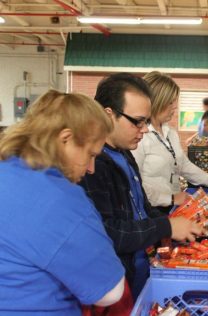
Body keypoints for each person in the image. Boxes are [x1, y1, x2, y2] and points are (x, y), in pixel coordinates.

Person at [79, 73, 205, 300]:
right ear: (109, 115)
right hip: (116, 283)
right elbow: (107, 232)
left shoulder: (125, 154)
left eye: (146, 121)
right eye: (137, 121)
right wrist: (165, 227)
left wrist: (173, 225)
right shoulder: (91, 165)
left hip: (140, 268)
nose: (145, 129)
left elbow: (141, 208)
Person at [0, 90, 125, 314]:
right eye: (90, 154)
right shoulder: (60, 199)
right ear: (65, 139)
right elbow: (110, 292)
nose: (91, 169)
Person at [132, 71, 208, 210]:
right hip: (149, 212)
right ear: (157, 101)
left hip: (171, 209)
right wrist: (170, 198)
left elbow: (184, 166)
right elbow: (133, 183)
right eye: (170, 102)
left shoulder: (170, 133)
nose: (175, 107)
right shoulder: (138, 136)